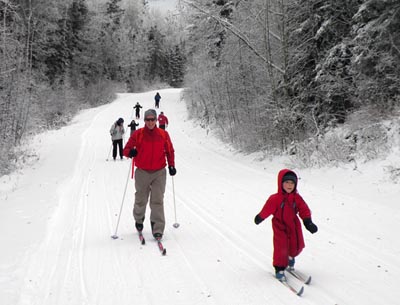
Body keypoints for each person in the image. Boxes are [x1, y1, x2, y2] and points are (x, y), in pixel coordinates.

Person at [254, 169, 318, 282]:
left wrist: (308, 222)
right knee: (281, 246)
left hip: (293, 224)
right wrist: (260, 217)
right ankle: (279, 268)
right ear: (281, 183)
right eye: (287, 182)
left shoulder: (296, 198)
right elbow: (267, 209)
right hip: (279, 225)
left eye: (292, 183)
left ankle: (290, 257)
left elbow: (304, 209)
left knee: (296, 244)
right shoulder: (275, 198)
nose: (289, 185)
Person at [123, 109, 176, 240]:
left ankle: (157, 228)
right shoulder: (138, 134)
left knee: (157, 200)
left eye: (153, 119)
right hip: (142, 171)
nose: (150, 122)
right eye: (148, 119)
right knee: (141, 199)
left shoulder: (163, 134)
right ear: (144, 120)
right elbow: (126, 150)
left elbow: (170, 151)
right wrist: (131, 153)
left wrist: (171, 165)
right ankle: (139, 219)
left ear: (157, 120)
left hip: (159, 172)